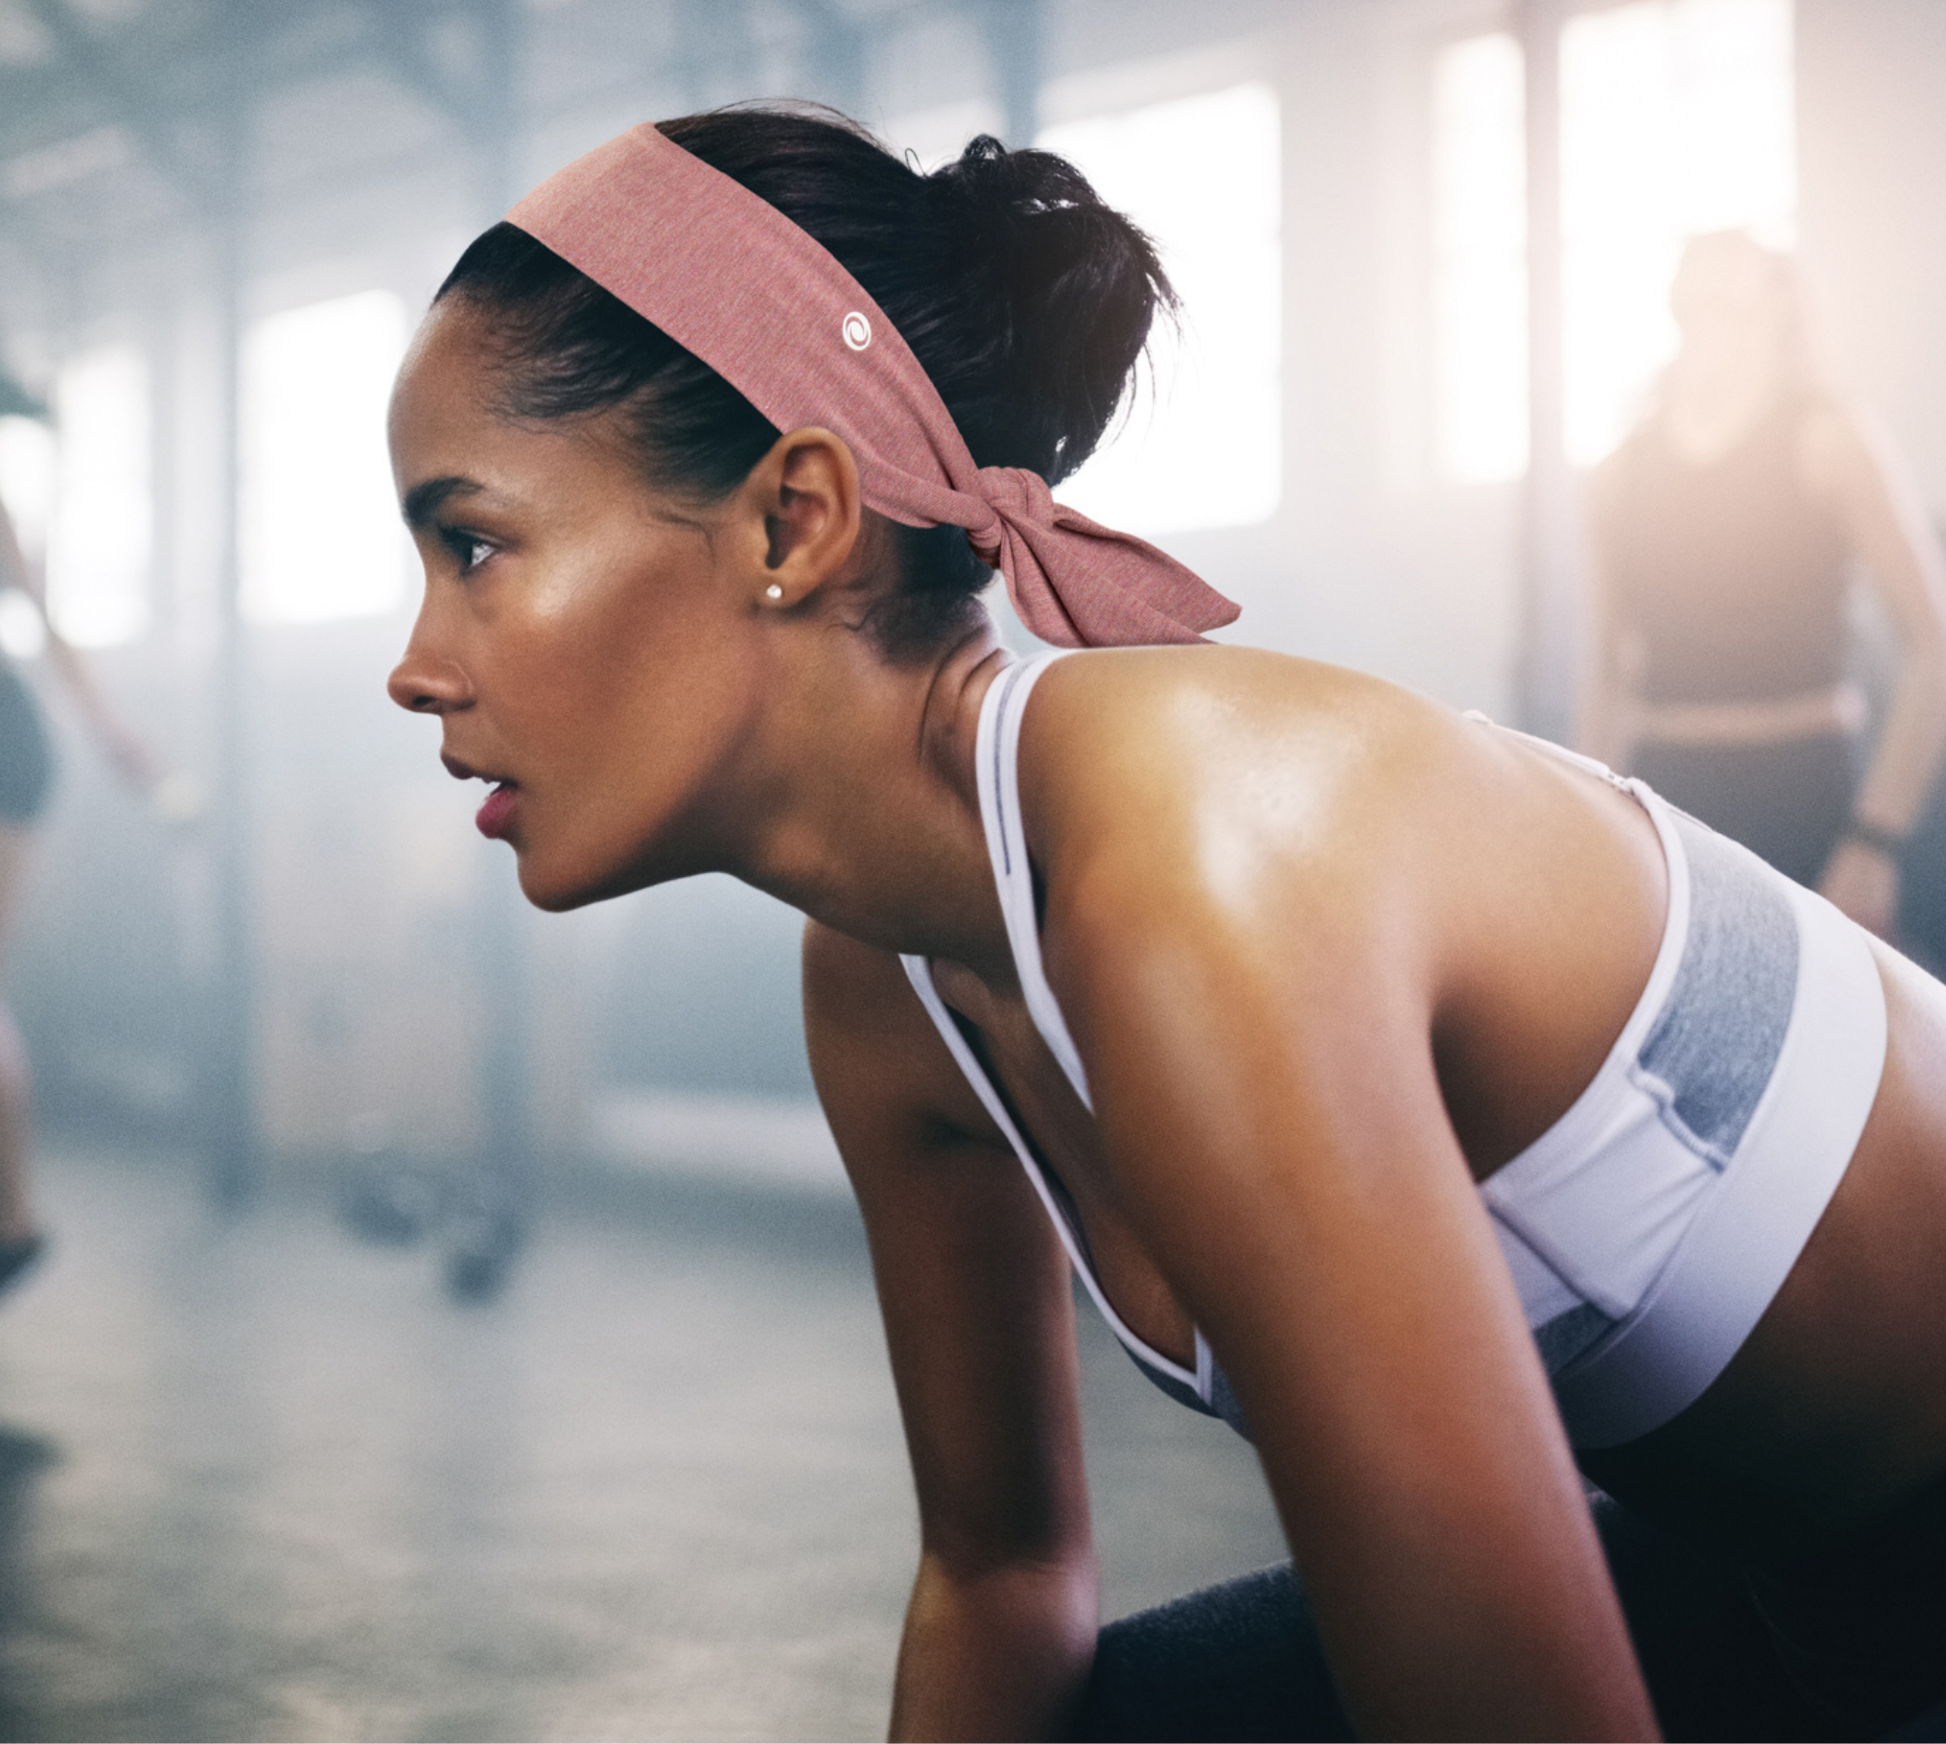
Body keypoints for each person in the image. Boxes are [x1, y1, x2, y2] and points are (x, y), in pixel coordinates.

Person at [385, 108, 1946, 1741]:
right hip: (1786, 1588)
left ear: (793, 521)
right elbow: (999, 1577)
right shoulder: (885, 980)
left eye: (475, 545)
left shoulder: (1202, 864)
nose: (414, 663)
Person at [1581, 230, 1946, 946]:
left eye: (1736, 272)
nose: (1715, 286)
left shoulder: (1830, 442)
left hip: (1806, 795)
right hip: (1669, 800)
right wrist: (1589, 823)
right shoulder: (1618, 475)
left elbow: (1935, 641)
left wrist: (1874, 839)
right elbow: (1605, 673)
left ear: (1781, 299)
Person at [0, 368, 157, 1292]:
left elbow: (53, 634)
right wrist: (109, 732)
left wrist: (114, 734)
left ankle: (13, 1217)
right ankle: (13, 1218)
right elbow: (54, 637)